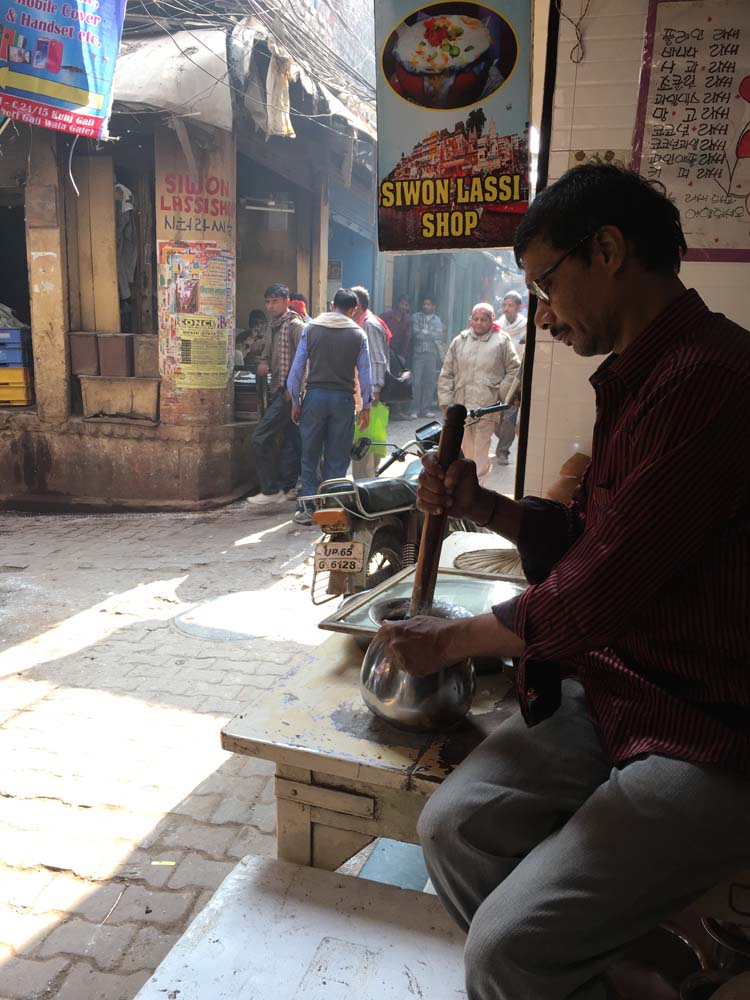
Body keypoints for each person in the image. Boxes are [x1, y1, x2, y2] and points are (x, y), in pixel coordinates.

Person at [376, 164, 750, 1000]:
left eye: (547, 285)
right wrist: (484, 504)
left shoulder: (711, 383)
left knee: (506, 953)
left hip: (708, 726)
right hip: (619, 690)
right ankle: (623, 975)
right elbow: (590, 541)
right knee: (455, 830)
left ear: (608, 250)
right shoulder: (639, 378)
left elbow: (593, 595)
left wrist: (454, 641)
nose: (542, 315)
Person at [287, 288, 372, 526]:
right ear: (354, 309)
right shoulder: (358, 334)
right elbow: (366, 373)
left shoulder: (311, 329)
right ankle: (332, 507)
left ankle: (308, 507)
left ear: (332, 304)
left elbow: (297, 368)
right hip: (343, 400)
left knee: (310, 454)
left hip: (314, 397)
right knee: (337, 456)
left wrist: (295, 400)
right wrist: (367, 405)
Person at [437, 302, 519, 486]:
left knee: (481, 449)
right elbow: (447, 372)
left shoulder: (502, 341)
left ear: (492, 320)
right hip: (461, 406)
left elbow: (514, 369)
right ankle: (466, 485)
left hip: (487, 406)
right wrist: (445, 400)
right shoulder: (460, 340)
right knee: (465, 449)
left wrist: (501, 394)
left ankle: (477, 487)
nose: (480, 323)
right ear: (470, 320)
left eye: (484, 319)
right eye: (476, 319)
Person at [248, 284, 305, 508]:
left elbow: (304, 360)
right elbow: (266, 354)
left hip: (288, 394)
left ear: (286, 301)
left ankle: (271, 488)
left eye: (275, 301)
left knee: (259, 437)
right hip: (278, 391)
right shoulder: (273, 327)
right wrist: (263, 363)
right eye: (268, 302)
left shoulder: (295, 326)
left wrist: (295, 391)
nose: (270, 306)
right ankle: (290, 486)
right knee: (293, 441)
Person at [351, 285, 389, 479]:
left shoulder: (368, 324)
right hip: (365, 392)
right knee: (368, 440)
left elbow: (377, 359)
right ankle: (366, 481)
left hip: (370, 393)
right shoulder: (362, 322)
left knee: (365, 442)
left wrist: (374, 390)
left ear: (356, 305)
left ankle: (364, 487)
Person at [495, 290, 527, 464]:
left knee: (509, 415)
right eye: (504, 305)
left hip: (515, 378)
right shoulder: (496, 326)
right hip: (497, 377)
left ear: (519, 307)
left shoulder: (526, 327)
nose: (506, 309)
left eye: (510, 305)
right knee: (495, 417)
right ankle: (501, 440)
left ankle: (503, 451)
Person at [409, 296, 443, 418]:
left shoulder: (437, 320)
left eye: (428, 304)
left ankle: (426, 409)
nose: (426, 306)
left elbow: (438, 335)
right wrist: (428, 334)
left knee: (429, 382)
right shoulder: (416, 317)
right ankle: (414, 409)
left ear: (433, 306)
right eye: (424, 304)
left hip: (431, 355)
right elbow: (416, 334)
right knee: (416, 382)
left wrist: (425, 332)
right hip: (418, 354)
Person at [381, 295, 412, 363]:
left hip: (397, 352)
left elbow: (406, 339)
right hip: (384, 350)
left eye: (406, 305)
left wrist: (402, 356)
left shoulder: (408, 320)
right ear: (397, 304)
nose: (403, 307)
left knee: (401, 363)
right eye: (402, 304)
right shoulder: (385, 316)